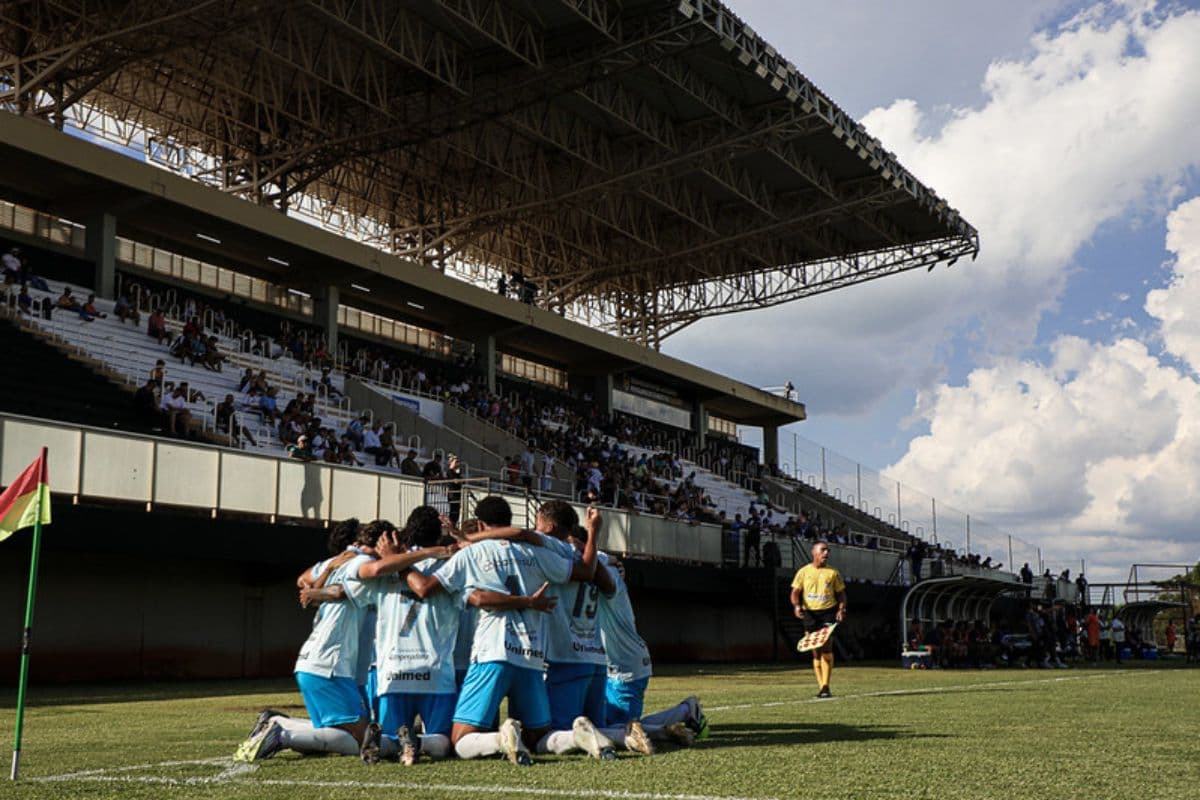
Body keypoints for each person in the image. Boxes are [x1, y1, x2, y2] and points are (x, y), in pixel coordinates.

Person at [403, 496, 592, 766]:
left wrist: (397, 561)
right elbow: (584, 572)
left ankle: (500, 739)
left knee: (461, 739)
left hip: (493, 652)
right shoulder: (534, 551)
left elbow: (425, 588)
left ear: (480, 523)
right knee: (538, 738)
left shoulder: (473, 553)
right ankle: (575, 737)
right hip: (531, 656)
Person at [235, 521, 391, 762]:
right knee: (364, 739)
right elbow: (338, 590)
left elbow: (304, 582)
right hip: (330, 664)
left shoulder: (337, 561)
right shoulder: (362, 563)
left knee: (335, 733)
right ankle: (282, 735)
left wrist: (322, 579)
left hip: (315, 660)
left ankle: (276, 721)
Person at [790, 542, 846, 697]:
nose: (826, 553)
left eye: (828, 550)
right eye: (823, 550)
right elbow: (795, 592)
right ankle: (822, 686)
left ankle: (826, 686)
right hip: (810, 614)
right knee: (815, 651)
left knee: (827, 647)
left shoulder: (833, 573)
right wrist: (796, 606)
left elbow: (841, 593)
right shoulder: (803, 572)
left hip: (828, 612)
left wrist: (841, 609)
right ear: (813, 552)